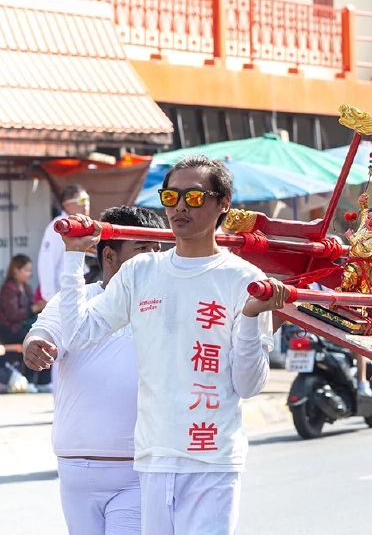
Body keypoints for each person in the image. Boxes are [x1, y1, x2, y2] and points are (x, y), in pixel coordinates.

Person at [56, 155, 292, 535]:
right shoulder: (140, 272)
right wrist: (71, 256)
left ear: (223, 204)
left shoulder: (243, 279)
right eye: (171, 197)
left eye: (195, 197)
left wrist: (250, 318)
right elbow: (78, 334)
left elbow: (249, 385)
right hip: (154, 458)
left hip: (212, 459)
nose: (180, 206)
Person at [24, 206, 164, 534]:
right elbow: (43, 331)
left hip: (137, 470)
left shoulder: (165, 306)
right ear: (110, 256)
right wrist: (35, 344)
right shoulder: (75, 300)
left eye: (158, 250)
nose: (154, 259)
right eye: (143, 249)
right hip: (74, 466)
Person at [38, 185, 90, 302]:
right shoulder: (59, 226)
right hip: (62, 297)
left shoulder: (84, 226)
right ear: (66, 204)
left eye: (87, 200)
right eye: (81, 200)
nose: (85, 204)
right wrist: (50, 298)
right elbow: (47, 263)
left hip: (78, 294)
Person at [0, 255, 47, 383]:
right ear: (16, 270)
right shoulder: (8, 289)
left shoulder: (26, 287)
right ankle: (29, 380)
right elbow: (13, 314)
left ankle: (43, 381)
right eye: (26, 270)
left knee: (45, 337)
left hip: (23, 327)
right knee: (33, 341)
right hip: (10, 330)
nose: (29, 274)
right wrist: (34, 308)